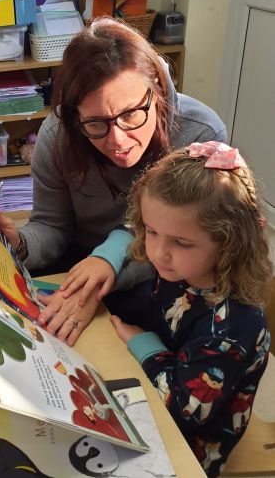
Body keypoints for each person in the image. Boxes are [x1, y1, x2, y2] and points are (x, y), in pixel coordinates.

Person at [0, 16, 227, 346]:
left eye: (130, 114)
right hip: (81, 257)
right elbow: (52, 226)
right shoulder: (57, 136)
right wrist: (19, 243)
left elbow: (184, 247)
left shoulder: (200, 134)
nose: (117, 140)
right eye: (95, 124)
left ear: (156, 90)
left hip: (159, 263)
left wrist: (103, 278)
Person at [106, 142, 271, 477]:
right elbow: (156, 312)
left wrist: (143, 345)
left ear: (230, 242)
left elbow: (185, 410)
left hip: (192, 447)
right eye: (152, 231)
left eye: (180, 242)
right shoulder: (182, 270)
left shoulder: (235, 326)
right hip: (156, 392)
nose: (158, 253)